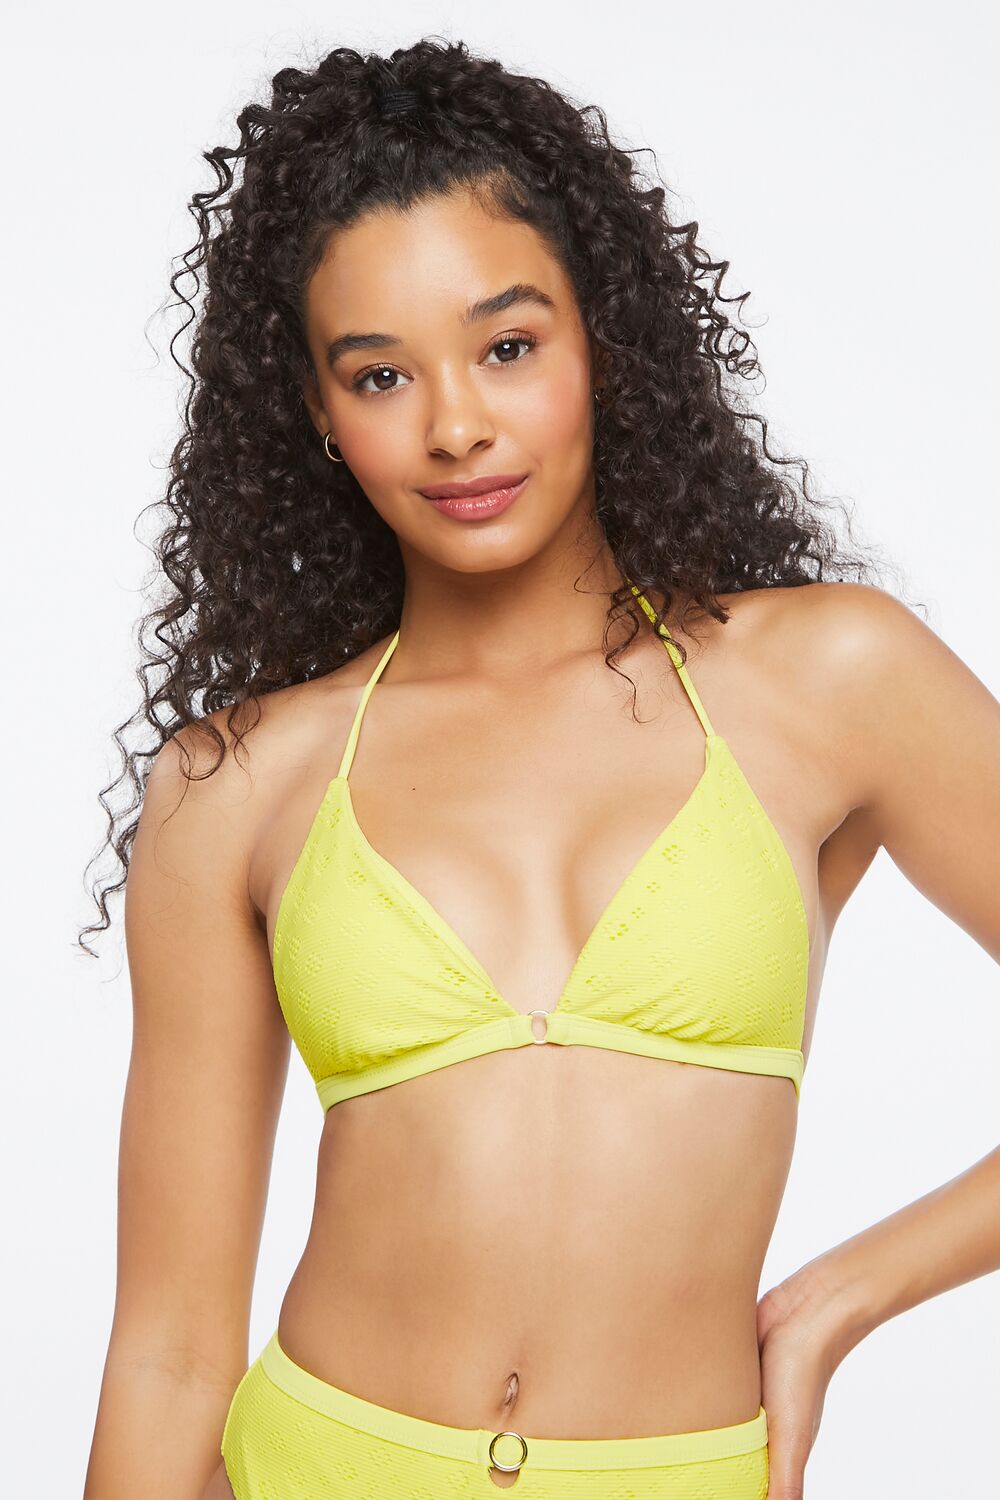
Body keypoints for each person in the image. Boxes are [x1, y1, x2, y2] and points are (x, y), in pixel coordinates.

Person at [81, 37, 1000, 1500]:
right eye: (382, 375)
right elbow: (170, 1355)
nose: (456, 426)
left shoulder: (832, 678)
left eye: (507, 346)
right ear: (317, 410)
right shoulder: (235, 783)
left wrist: (842, 1300)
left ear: (601, 339)